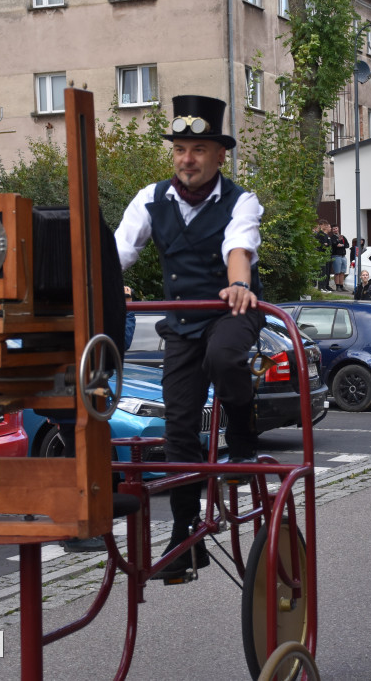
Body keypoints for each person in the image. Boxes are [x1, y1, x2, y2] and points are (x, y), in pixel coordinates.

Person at [114, 94, 263, 580]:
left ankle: (242, 428)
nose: (187, 159)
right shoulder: (150, 198)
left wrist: (238, 283)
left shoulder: (241, 201)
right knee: (178, 428)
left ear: (220, 155)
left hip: (230, 312)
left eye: (198, 149)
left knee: (224, 358)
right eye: (180, 149)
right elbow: (119, 251)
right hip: (181, 322)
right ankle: (184, 532)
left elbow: (237, 247)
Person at [314, 219, 333, 292]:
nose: (326, 227)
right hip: (321, 255)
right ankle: (320, 287)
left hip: (326, 255)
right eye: (324, 225)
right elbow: (320, 245)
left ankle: (324, 286)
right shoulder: (320, 234)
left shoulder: (325, 235)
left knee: (325, 272)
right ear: (321, 225)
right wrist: (324, 245)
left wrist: (326, 245)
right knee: (322, 272)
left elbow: (328, 244)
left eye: (326, 225)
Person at [330, 225, 349, 291]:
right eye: (334, 229)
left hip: (343, 256)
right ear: (332, 230)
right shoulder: (332, 237)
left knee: (342, 272)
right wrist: (338, 241)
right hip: (336, 256)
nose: (335, 230)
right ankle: (337, 286)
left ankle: (341, 285)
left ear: (338, 229)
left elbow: (347, 245)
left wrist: (341, 245)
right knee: (337, 272)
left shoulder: (343, 237)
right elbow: (334, 244)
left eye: (336, 228)